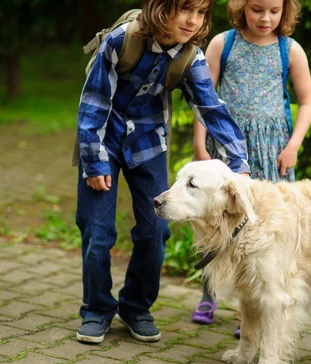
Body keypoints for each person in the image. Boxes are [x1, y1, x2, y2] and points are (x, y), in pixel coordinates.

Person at [75, 0, 250, 345]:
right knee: (97, 232)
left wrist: (239, 165)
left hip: (149, 144)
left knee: (155, 231)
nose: (192, 20)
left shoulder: (190, 56)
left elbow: (211, 109)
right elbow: (93, 102)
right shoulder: (122, 41)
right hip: (101, 143)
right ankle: (96, 310)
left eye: (200, 13)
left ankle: (135, 307)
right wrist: (94, 161)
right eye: (184, 9)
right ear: (161, 8)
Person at [191, 0, 311, 337]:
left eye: (274, 11)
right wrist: (200, 144)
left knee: (262, 230)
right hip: (228, 149)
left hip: (272, 150)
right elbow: (205, 97)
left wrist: (294, 145)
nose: (265, 18)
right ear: (242, 7)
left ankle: (253, 311)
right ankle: (210, 293)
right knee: (218, 220)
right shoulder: (223, 43)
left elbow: (307, 100)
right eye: (257, 9)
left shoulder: (290, 50)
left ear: (285, 11)